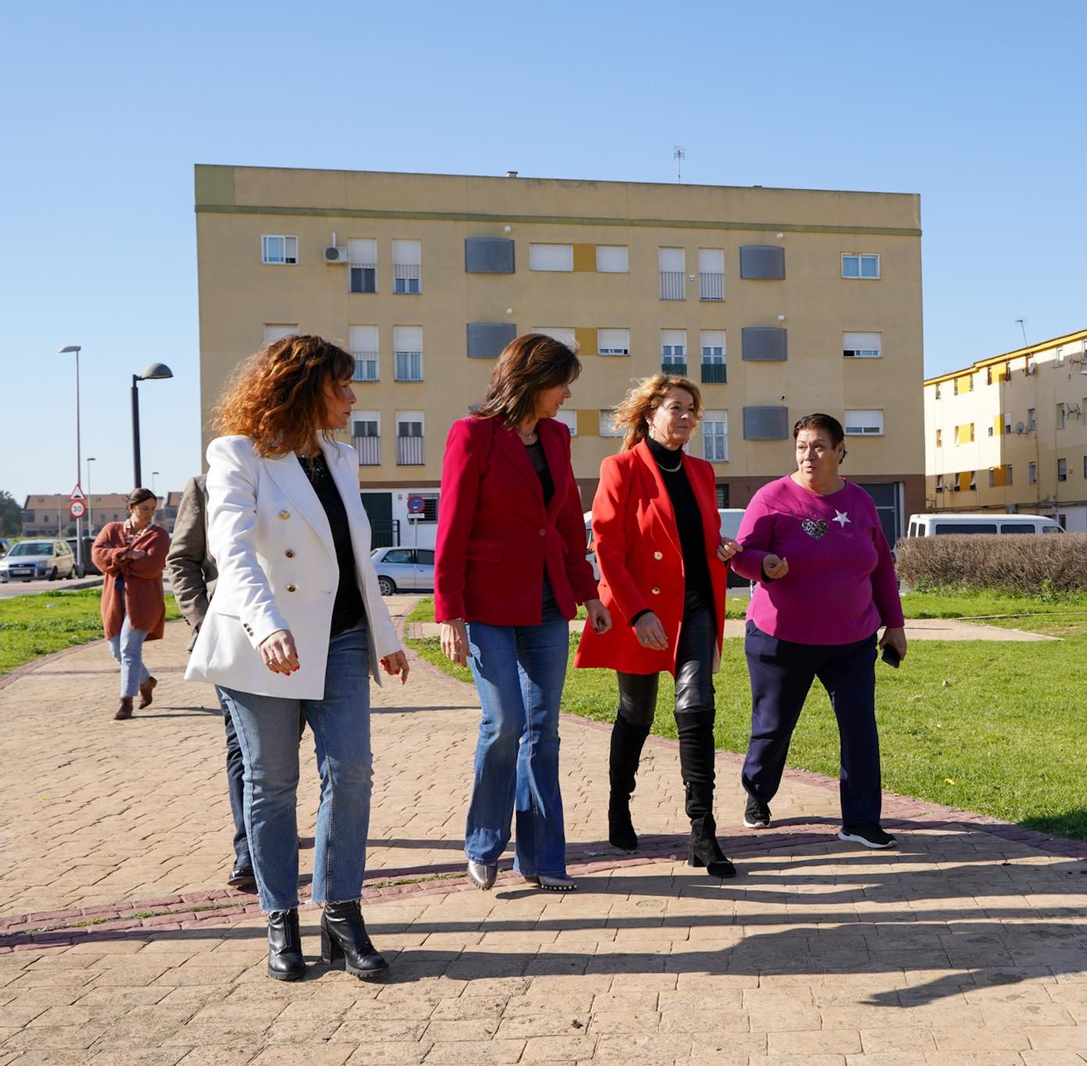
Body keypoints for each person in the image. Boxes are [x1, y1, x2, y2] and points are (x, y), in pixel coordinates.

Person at [185, 334, 409, 982]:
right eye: (342, 385)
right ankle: (279, 917)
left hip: (340, 640)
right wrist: (267, 626)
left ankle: (341, 911)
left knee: (353, 771)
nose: (352, 397)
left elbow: (354, 558)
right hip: (265, 646)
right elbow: (233, 551)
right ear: (305, 389)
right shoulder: (238, 454)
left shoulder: (341, 456)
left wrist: (386, 638)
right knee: (272, 785)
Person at [435, 333, 610, 894]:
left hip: (547, 601)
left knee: (544, 729)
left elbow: (562, 525)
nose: (565, 395)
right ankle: (484, 841)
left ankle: (540, 856)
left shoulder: (557, 437)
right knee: (504, 721)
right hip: (486, 603)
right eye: (561, 383)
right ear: (532, 380)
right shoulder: (473, 434)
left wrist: (589, 595)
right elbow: (453, 526)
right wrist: (449, 613)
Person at [575, 375, 742, 877]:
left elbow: (696, 537)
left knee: (697, 708)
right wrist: (637, 613)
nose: (686, 416)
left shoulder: (703, 471)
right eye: (676, 407)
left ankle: (703, 833)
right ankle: (618, 804)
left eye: (692, 408)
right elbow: (608, 547)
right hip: (640, 611)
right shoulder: (620, 468)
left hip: (694, 608)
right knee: (637, 712)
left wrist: (720, 549)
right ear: (650, 414)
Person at [731, 414, 908, 850]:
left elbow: (882, 565)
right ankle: (757, 791)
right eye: (802, 447)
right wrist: (764, 565)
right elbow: (741, 555)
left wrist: (896, 624)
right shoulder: (772, 497)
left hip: (852, 639)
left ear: (841, 450)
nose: (809, 456)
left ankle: (862, 820)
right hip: (781, 639)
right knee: (772, 727)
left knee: (859, 727)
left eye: (819, 447)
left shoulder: (861, 501)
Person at [169, 474, 259, 892]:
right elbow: (181, 559)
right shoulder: (206, 485)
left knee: (278, 750)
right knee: (243, 744)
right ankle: (249, 849)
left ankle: (269, 824)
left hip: (304, 635)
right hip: (231, 637)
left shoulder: (307, 472)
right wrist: (205, 622)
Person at [92, 488, 171, 721]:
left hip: (144, 602)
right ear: (131, 508)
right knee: (115, 648)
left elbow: (152, 566)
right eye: (144, 509)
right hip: (114, 600)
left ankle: (126, 701)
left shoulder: (159, 535)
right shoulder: (111, 530)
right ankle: (146, 681)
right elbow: (98, 556)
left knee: (129, 648)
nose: (149, 514)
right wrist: (128, 554)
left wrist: (117, 560)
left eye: (153, 509)